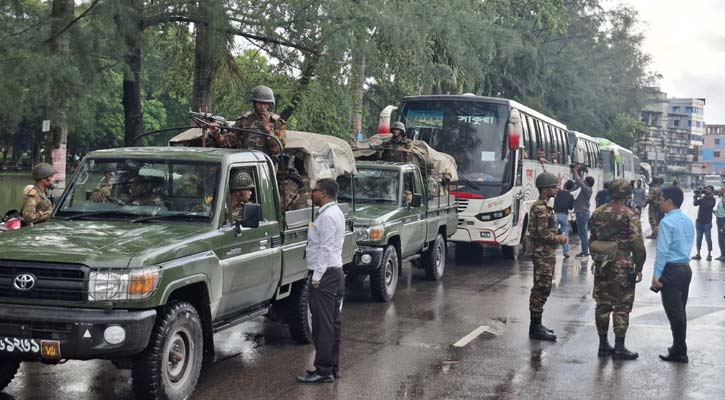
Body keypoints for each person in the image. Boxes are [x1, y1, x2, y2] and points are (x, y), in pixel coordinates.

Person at [589, 180, 646, 360]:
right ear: (628, 195)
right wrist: (639, 266)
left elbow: (593, 238)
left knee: (603, 304)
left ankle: (603, 344)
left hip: (602, 263)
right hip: (623, 265)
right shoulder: (631, 214)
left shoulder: (598, 212)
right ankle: (620, 347)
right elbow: (637, 245)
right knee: (622, 306)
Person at [297, 179, 346, 383]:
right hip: (335, 273)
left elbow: (324, 249)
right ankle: (333, 368)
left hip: (325, 276)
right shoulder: (335, 213)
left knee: (322, 325)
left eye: (314, 191)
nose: (311, 194)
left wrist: (316, 278)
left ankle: (323, 370)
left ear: (324, 193)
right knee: (332, 323)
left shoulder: (327, 217)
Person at [651, 186, 694, 363]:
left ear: (669, 201)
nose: (658, 203)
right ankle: (678, 347)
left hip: (671, 270)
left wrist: (656, 275)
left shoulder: (667, 222)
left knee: (675, 314)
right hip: (685, 269)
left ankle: (680, 351)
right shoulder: (687, 220)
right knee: (680, 311)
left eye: (660, 199)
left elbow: (662, 251)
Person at [528, 172, 568, 341]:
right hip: (542, 254)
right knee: (541, 288)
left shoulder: (545, 207)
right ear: (544, 189)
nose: (556, 189)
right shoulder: (541, 209)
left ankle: (538, 325)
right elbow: (542, 234)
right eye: (553, 187)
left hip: (546, 254)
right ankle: (535, 328)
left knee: (544, 288)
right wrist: (560, 238)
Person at [209, 85, 286, 171]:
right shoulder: (244, 120)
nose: (262, 107)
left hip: (266, 167)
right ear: (254, 103)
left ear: (269, 104)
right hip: (244, 164)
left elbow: (278, 150)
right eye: (259, 103)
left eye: (265, 104)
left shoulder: (277, 122)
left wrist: (268, 129)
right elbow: (227, 142)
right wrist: (216, 133)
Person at [571, 166, 594, 257]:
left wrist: (575, 171)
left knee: (583, 233)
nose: (583, 181)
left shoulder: (587, 190)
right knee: (582, 233)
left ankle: (585, 252)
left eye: (585, 181)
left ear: (587, 183)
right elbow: (579, 182)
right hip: (582, 213)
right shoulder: (586, 190)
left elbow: (578, 181)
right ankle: (584, 251)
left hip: (582, 213)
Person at [692, 185, 716, 261]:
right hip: (699, 221)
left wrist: (701, 197)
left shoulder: (713, 199)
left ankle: (709, 254)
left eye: (708, 189)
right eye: (705, 189)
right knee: (698, 239)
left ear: (712, 191)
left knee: (708, 238)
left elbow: (707, 206)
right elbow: (695, 204)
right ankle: (698, 254)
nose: (706, 190)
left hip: (707, 222)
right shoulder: (703, 198)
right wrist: (695, 197)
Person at [554, 180, 575, 258]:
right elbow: (571, 207)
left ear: (565, 185)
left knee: (552, 233)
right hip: (564, 215)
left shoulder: (559, 192)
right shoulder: (571, 196)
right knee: (565, 235)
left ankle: (551, 250)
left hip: (556, 214)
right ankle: (565, 251)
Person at [714, 187, 725, 260]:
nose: (721, 191)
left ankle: (723, 255)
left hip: (723, 220)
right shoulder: (722, 200)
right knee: (720, 238)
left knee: (722, 238)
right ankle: (722, 254)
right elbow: (719, 210)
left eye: (723, 190)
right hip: (719, 219)